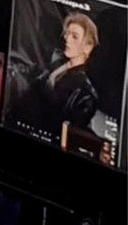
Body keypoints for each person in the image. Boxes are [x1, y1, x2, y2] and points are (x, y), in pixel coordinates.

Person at [8, 12, 100, 141]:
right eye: (67, 34)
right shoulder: (56, 64)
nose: (67, 39)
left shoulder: (86, 94)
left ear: (88, 47)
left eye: (74, 36)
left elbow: (67, 136)